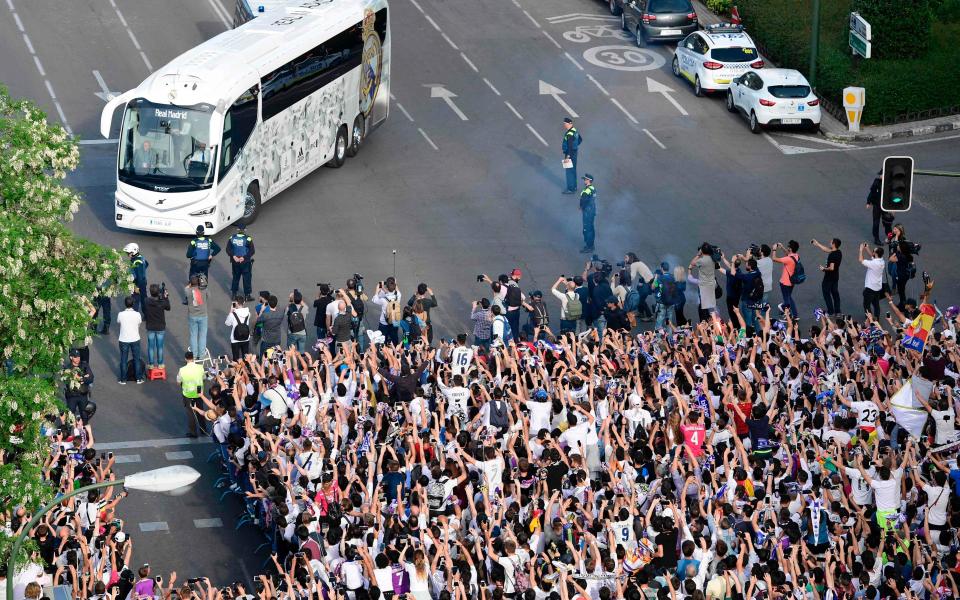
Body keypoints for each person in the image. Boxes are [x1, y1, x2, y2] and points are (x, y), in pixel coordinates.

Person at [176, 351, 205, 438]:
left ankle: (193, 432)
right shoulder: (200, 367)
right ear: (193, 358)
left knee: (191, 413)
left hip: (188, 394)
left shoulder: (182, 370)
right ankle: (203, 429)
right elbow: (204, 378)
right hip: (199, 393)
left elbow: (178, 382)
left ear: (185, 359)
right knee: (200, 411)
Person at [811, 238, 842, 317]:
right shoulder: (838, 252)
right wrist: (818, 244)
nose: (829, 242)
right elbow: (827, 250)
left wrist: (824, 269)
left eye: (831, 242)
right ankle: (838, 312)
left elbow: (831, 268)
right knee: (835, 293)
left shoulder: (832, 255)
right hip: (835, 277)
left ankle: (831, 311)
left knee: (826, 293)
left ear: (833, 244)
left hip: (829, 278)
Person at [117, 296, 144, 384]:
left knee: (123, 359)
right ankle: (139, 378)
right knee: (136, 359)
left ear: (125, 304)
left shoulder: (121, 314)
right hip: (135, 338)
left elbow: (119, 322)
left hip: (123, 339)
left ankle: (123, 379)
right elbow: (139, 323)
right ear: (133, 304)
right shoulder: (137, 314)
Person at [771, 240, 801, 319]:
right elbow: (789, 254)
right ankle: (795, 315)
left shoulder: (788, 259)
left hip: (785, 283)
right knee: (789, 297)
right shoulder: (796, 256)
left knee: (787, 300)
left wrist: (774, 249)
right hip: (792, 282)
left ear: (790, 248)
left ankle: (785, 311)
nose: (787, 248)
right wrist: (782, 248)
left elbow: (774, 259)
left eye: (788, 247)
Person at [144, 283, 171, 370]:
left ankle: (151, 364)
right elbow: (168, 307)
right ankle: (160, 364)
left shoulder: (146, 301)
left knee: (151, 346)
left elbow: (148, 300)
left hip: (150, 327)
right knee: (160, 346)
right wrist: (165, 297)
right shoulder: (162, 302)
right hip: (160, 327)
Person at [688, 244, 718, 321]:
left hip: (704, 285)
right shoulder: (712, 259)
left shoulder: (701, 261)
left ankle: (705, 321)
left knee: (703, 306)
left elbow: (692, 263)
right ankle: (714, 317)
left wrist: (698, 255)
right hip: (711, 283)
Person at [62, 349, 94, 420]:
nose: (77, 359)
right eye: (75, 357)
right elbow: (67, 381)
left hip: (83, 395)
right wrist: (84, 377)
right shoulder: (67, 368)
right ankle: (68, 430)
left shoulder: (84, 365)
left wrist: (81, 379)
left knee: (84, 416)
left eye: (78, 357)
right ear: (71, 357)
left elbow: (91, 378)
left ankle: (84, 429)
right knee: (70, 417)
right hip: (72, 396)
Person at [227, 222, 255, 302]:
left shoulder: (232, 238)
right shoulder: (248, 238)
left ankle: (234, 294)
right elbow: (252, 251)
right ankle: (247, 295)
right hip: (245, 262)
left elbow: (228, 249)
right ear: (245, 230)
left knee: (235, 277)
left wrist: (234, 256)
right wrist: (244, 257)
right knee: (247, 278)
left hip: (235, 262)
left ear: (237, 229)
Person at [183, 275, 209, 359]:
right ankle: (201, 355)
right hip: (203, 315)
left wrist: (190, 284)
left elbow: (186, 287)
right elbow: (209, 297)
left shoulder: (187, 290)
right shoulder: (204, 289)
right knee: (202, 335)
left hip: (192, 315)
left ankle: (193, 355)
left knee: (193, 335)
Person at [372, 277, 402, 346]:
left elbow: (374, 299)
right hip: (395, 320)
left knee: (382, 338)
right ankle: (395, 348)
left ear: (387, 288)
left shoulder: (384, 299)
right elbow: (396, 291)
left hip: (384, 321)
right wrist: (394, 283)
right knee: (394, 336)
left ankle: (383, 350)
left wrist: (378, 288)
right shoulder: (398, 295)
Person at [866, 170, 893, 245]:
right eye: (880, 174)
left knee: (888, 223)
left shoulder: (890, 183)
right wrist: (868, 202)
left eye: (882, 174)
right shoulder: (876, 182)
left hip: (886, 206)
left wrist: (893, 208)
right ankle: (876, 239)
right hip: (877, 206)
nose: (880, 176)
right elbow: (872, 192)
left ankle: (890, 237)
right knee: (876, 223)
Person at [859, 242, 885, 317]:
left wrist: (861, 250)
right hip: (877, 287)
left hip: (870, 288)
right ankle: (877, 319)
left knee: (866, 305)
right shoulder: (881, 261)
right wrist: (867, 248)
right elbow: (872, 256)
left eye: (874, 250)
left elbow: (861, 260)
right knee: (876, 304)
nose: (872, 252)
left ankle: (869, 321)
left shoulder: (874, 263)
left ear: (876, 254)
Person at [123, 242, 148, 314]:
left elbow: (139, 276)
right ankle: (146, 315)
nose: (127, 254)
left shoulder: (137, 261)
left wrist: (137, 287)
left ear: (133, 252)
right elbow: (146, 264)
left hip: (138, 283)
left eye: (128, 253)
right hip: (142, 282)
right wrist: (142, 271)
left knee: (135, 300)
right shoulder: (140, 257)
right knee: (143, 299)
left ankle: (134, 315)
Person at [225, 296, 251, 360]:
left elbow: (227, 323)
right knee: (246, 357)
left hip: (235, 339)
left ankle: (237, 369)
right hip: (246, 338)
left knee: (236, 358)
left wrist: (231, 311)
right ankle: (246, 368)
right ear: (243, 302)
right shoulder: (248, 313)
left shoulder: (232, 314)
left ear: (236, 303)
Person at [561, 117, 581, 194]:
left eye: (565, 124)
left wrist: (568, 156)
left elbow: (569, 145)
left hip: (569, 154)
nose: (564, 125)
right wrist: (575, 147)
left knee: (569, 172)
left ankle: (570, 189)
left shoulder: (569, 133)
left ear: (570, 124)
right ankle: (574, 187)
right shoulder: (574, 131)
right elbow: (580, 140)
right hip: (574, 153)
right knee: (573, 170)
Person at [579, 174, 596, 253]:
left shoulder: (587, 190)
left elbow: (584, 200)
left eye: (585, 179)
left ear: (589, 181)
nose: (584, 181)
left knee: (587, 229)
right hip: (592, 211)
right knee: (591, 229)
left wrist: (581, 207)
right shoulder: (592, 188)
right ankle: (591, 245)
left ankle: (589, 246)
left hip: (587, 212)